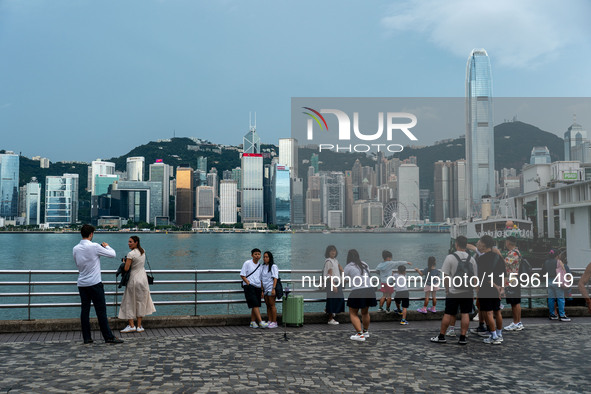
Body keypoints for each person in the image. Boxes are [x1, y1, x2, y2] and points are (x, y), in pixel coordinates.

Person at [72, 224, 123, 344]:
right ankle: (108, 337)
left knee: (85, 311)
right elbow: (113, 254)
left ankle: (87, 338)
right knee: (101, 311)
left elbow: (78, 264)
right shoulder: (95, 246)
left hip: (82, 283)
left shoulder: (75, 248)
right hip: (95, 283)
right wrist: (107, 246)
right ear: (91, 234)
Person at [430, 235, 477, 345]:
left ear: (456, 244)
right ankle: (463, 337)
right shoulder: (472, 259)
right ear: (466, 245)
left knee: (448, 313)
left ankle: (442, 336)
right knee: (465, 314)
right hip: (468, 291)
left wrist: (447, 290)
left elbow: (445, 276)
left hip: (453, 291)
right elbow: (475, 278)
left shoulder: (450, 258)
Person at [118, 236, 156, 333]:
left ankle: (131, 325)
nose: (129, 243)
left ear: (136, 242)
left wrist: (124, 262)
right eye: (128, 242)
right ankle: (139, 326)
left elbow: (126, 268)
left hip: (133, 279)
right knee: (141, 301)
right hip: (143, 279)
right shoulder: (143, 251)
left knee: (129, 301)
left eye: (130, 242)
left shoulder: (131, 254)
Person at [475, 235, 505, 345]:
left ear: (483, 245)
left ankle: (493, 336)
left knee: (488, 312)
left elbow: (482, 276)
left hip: (486, 288)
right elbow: (503, 274)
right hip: (497, 289)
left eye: (479, 242)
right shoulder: (498, 257)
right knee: (497, 311)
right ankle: (499, 333)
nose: (478, 244)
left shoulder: (481, 259)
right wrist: (500, 287)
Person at [344, 249, 377, 342]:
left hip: (358, 291)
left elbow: (344, 279)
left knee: (353, 313)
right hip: (369, 289)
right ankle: (365, 332)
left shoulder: (348, 266)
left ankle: (359, 334)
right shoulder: (364, 264)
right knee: (365, 312)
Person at [240, 248, 269, 328]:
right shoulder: (247, 263)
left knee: (255, 304)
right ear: (252, 255)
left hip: (258, 286)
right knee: (255, 304)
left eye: (258, 254)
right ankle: (260, 321)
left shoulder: (260, 266)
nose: (257, 256)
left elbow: (261, 278)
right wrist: (248, 283)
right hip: (249, 286)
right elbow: (242, 275)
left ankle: (252, 322)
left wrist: (262, 290)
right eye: (255, 254)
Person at [541, 250, 571, 322]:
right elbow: (563, 271)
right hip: (557, 281)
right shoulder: (558, 262)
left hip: (549, 281)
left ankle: (552, 315)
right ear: (556, 256)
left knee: (551, 298)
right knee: (560, 298)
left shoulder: (546, 262)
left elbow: (542, 272)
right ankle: (562, 315)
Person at [503, 236, 524, 332]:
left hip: (512, 280)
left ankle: (516, 322)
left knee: (514, 302)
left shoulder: (513, 253)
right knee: (516, 302)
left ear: (508, 242)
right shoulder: (517, 252)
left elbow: (505, 263)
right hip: (515, 279)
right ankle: (517, 322)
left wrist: (498, 254)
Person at [323, 245, 345, 325]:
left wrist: (342, 272)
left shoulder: (335, 260)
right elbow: (329, 275)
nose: (333, 252)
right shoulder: (329, 261)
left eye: (334, 251)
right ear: (328, 252)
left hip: (337, 282)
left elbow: (340, 269)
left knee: (339, 299)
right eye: (331, 251)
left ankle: (328, 310)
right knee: (332, 300)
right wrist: (333, 285)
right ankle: (330, 319)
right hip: (332, 282)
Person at [261, 251, 279, 329]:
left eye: (267, 257)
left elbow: (275, 278)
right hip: (265, 289)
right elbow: (261, 279)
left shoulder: (273, 266)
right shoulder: (262, 266)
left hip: (271, 288)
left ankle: (274, 322)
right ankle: (270, 320)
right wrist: (262, 290)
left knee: (272, 305)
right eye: (264, 257)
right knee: (267, 305)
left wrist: (273, 288)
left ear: (270, 258)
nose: (265, 258)